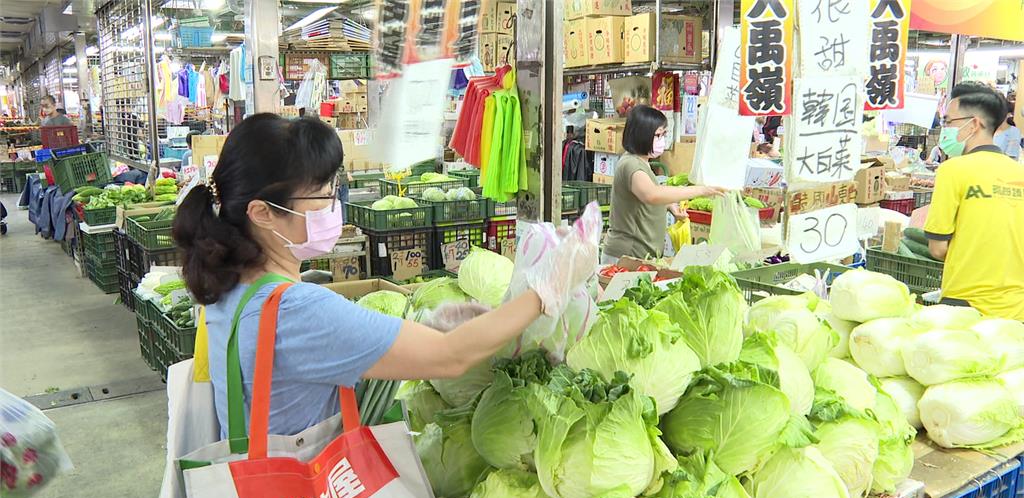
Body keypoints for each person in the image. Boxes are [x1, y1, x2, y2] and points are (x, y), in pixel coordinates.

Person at [172, 114, 589, 437]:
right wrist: (545, 289)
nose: (334, 206)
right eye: (321, 196)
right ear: (262, 213)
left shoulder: (229, 288)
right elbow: (452, 357)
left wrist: (420, 329)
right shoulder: (297, 310)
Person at [924, 82, 1024, 320]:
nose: (945, 129)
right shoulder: (1020, 173)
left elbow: (938, 248)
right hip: (1016, 307)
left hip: (965, 305)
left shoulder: (953, 170)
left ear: (974, 124)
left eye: (949, 122)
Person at [602, 105, 724, 263]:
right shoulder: (631, 165)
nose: (662, 140)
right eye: (658, 135)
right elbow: (651, 195)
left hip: (640, 254)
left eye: (664, 134)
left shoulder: (641, 162)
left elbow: (643, 198)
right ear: (642, 136)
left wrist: (670, 205)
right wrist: (701, 190)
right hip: (628, 254)